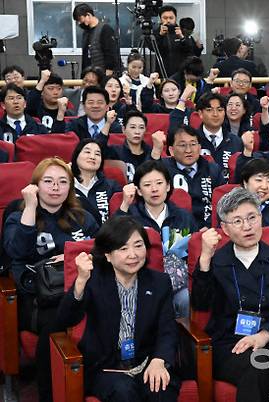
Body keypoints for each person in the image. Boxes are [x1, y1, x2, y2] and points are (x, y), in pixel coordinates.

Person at [191, 188, 269, 401]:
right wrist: (205, 258)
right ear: (224, 229)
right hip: (232, 343)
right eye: (237, 221)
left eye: (252, 217)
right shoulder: (216, 261)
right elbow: (201, 303)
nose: (247, 226)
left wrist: (265, 335)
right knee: (258, 364)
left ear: (260, 218)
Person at [3, 157, 99, 401]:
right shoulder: (18, 215)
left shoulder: (83, 217)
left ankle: (93, 386)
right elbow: (16, 252)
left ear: (70, 188)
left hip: (80, 289)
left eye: (62, 181)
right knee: (58, 320)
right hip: (37, 299)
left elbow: (102, 251)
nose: (55, 187)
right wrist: (30, 207)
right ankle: (49, 394)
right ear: (35, 186)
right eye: (48, 181)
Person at [58, 215, 180, 401]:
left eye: (139, 246)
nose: (133, 254)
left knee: (160, 388)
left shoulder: (159, 282)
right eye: (123, 248)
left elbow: (167, 329)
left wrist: (159, 359)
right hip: (106, 368)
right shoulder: (94, 281)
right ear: (107, 255)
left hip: (146, 361)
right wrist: (81, 280)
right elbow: (66, 319)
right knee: (123, 391)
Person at [117, 161, 198, 318]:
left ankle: (186, 341)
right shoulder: (130, 217)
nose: (154, 189)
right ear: (139, 191)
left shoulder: (183, 216)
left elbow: (193, 253)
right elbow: (110, 240)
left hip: (178, 282)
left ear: (168, 186)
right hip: (140, 281)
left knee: (187, 299)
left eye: (159, 183)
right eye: (147, 185)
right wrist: (124, 205)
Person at [157, 125, 223, 228]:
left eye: (193, 144)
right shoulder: (162, 169)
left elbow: (223, 204)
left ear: (200, 147)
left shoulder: (213, 169)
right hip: (174, 229)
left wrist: (210, 226)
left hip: (209, 230)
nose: (188, 150)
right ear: (171, 150)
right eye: (182, 145)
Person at [170, 90, 244, 181]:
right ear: (200, 114)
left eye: (220, 110)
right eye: (209, 110)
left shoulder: (236, 141)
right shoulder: (192, 140)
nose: (215, 114)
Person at [99, 110, 165, 183]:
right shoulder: (115, 151)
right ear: (124, 130)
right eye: (133, 127)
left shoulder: (151, 151)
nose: (137, 132)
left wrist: (156, 151)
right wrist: (108, 123)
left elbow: (158, 176)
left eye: (141, 127)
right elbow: (98, 147)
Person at [71, 139, 122, 225]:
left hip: (107, 235)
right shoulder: (65, 185)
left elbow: (120, 217)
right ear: (76, 156)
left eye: (97, 154)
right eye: (87, 152)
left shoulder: (111, 186)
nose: (92, 157)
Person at [72, 3, 119, 76]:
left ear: (88, 15)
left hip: (104, 73)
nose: (79, 23)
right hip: (90, 73)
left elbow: (110, 53)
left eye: (80, 19)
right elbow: (85, 56)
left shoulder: (105, 29)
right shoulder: (86, 33)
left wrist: (108, 73)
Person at [155, 5, 196, 78]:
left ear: (175, 18)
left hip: (181, 74)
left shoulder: (182, 31)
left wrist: (182, 37)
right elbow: (153, 48)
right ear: (161, 19)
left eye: (171, 18)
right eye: (165, 18)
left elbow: (191, 50)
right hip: (162, 74)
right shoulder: (156, 33)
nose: (168, 20)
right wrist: (160, 35)